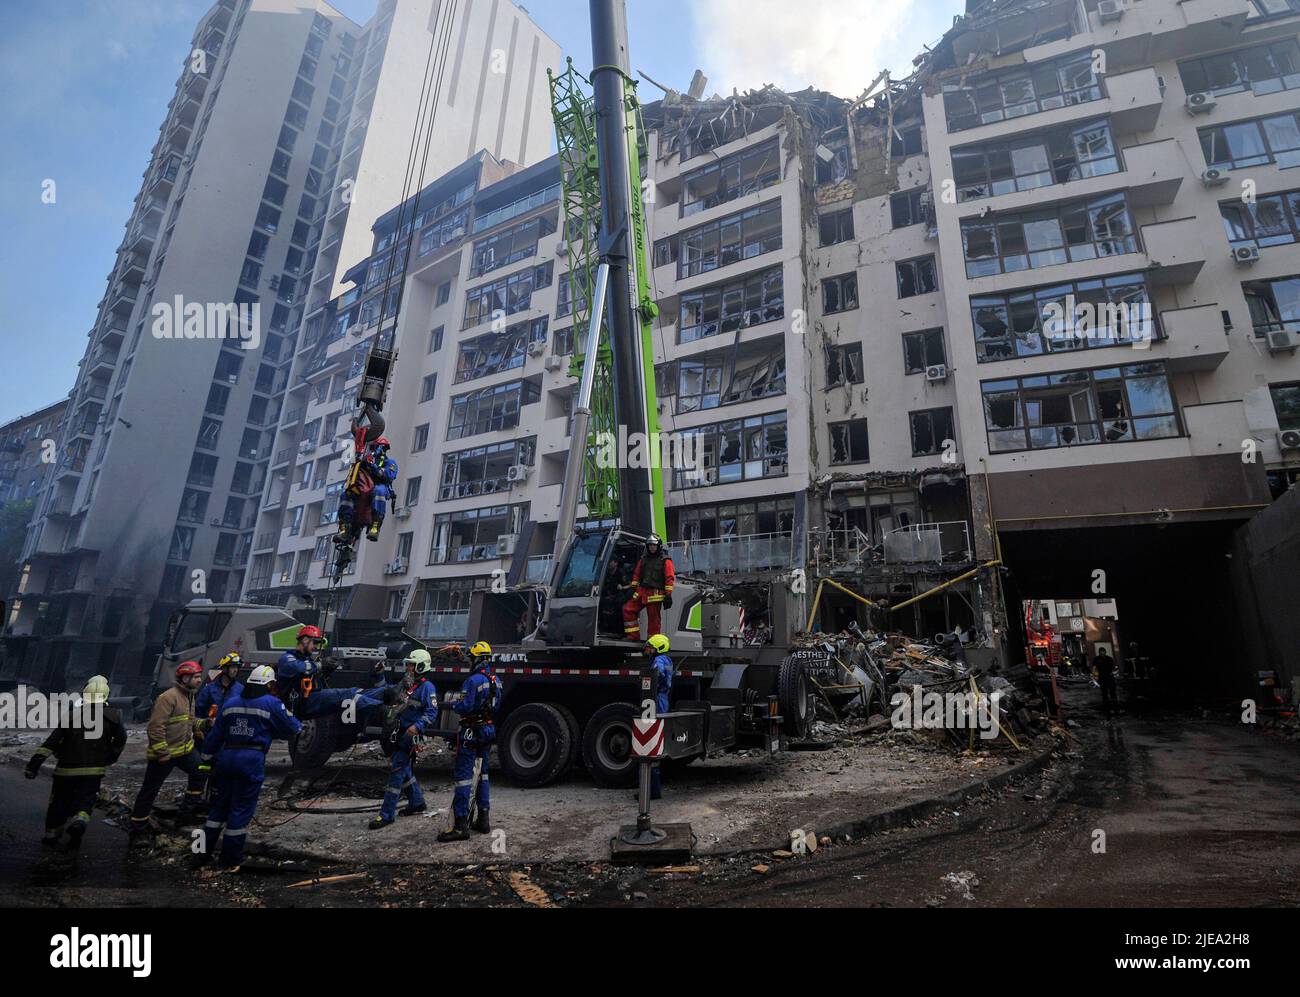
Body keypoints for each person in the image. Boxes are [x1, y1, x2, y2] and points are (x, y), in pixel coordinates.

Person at [197, 665, 301, 871]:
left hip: (226, 758)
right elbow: (294, 727)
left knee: (217, 810)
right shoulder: (272, 703)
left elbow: (214, 737)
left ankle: (199, 855)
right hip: (251, 760)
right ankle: (230, 859)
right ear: (269, 684)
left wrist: (205, 761)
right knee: (240, 810)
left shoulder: (230, 703)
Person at [25, 675, 127, 853]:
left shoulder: (72, 716)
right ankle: (79, 821)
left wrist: (33, 766)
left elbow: (51, 743)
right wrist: (110, 757)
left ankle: (52, 834)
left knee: (59, 802)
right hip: (93, 771)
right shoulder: (115, 716)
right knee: (86, 800)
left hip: (66, 770)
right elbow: (120, 740)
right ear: (107, 695)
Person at [128, 660, 206, 847]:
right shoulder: (168, 697)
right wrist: (162, 751)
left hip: (185, 751)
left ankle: (187, 811)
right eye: (195, 677)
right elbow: (155, 727)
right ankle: (138, 829)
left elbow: (189, 720)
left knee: (201, 771)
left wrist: (204, 724)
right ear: (185, 678)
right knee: (150, 789)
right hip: (165, 755)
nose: (199, 680)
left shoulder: (189, 695)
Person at [438, 641, 501, 842]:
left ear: (477, 659)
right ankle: (483, 820)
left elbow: (464, 706)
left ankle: (460, 826)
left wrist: (455, 703)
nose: (470, 661)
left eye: (472, 658)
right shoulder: (496, 680)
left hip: (470, 731)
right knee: (483, 774)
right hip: (487, 729)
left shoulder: (472, 681)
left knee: (464, 777)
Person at [369, 649, 438, 829]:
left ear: (421, 666)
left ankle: (386, 814)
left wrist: (416, 728)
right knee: (404, 768)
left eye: (411, 664)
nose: (408, 667)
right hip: (399, 732)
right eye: (408, 664)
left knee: (397, 772)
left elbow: (432, 712)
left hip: (409, 735)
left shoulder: (427, 687)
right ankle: (417, 802)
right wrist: (379, 675)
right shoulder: (407, 684)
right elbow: (388, 695)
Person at [275, 624, 386, 726]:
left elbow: (316, 679)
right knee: (347, 696)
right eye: (314, 643)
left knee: (354, 691)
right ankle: (383, 710)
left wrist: (327, 670)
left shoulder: (307, 660)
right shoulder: (287, 659)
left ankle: (387, 698)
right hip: (301, 703)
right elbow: (298, 668)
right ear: (304, 640)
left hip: (310, 700)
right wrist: (320, 665)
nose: (315, 647)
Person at [335, 437, 399, 546]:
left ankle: (375, 526)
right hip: (364, 487)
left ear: (383, 449)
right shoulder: (365, 460)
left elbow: (388, 476)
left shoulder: (390, 463)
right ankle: (345, 528)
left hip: (380, 486)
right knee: (346, 495)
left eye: (376, 447)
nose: (374, 450)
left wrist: (372, 466)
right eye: (372, 448)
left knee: (379, 491)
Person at [622, 533, 675, 642]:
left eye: (654, 545)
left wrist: (668, 595)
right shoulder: (643, 559)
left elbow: (669, 578)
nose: (652, 547)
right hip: (642, 591)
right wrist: (632, 588)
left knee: (653, 621)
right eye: (650, 545)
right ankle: (633, 636)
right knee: (628, 609)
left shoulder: (666, 560)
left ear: (659, 546)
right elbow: (636, 575)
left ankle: (652, 644)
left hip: (655, 594)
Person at [645, 633, 673, 801]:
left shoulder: (659, 661)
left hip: (657, 698)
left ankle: (653, 791)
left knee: (651, 742)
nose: (647, 650)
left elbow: (657, 673)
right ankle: (653, 789)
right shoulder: (668, 660)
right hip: (663, 699)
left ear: (658, 648)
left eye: (650, 647)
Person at [197, 653, 244, 733]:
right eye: (233, 667)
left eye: (237, 667)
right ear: (224, 668)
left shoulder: (241, 689)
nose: (235, 670)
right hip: (211, 732)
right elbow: (198, 711)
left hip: (231, 733)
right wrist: (205, 724)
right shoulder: (209, 689)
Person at [1095, 646, 1118, 712]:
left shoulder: (1109, 658)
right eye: (1101, 652)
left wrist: (1114, 673)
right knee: (1104, 693)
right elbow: (1094, 669)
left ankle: (1115, 707)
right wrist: (1095, 677)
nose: (1102, 653)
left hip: (1110, 678)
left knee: (1113, 692)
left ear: (1105, 652)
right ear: (1099, 652)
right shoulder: (1096, 659)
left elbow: (1113, 668)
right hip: (1102, 678)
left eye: (1103, 652)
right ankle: (1107, 708)